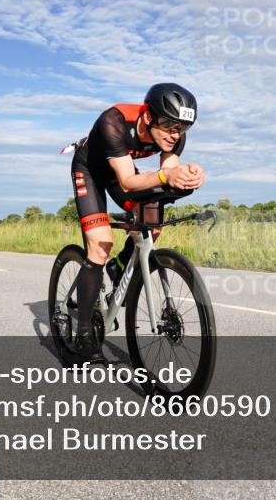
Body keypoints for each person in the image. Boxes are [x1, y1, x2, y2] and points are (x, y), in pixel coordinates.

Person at [67, 83, 205, 363]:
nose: (175, 134)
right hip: (90, 171)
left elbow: (167, 170)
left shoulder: (174, 136)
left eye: (183, 128)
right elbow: (128, 182)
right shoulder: (113, 122)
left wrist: (186, 176)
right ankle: (82, 336)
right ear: (148, 115)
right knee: (100, 245)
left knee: (152, 225)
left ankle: (120, 268)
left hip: (123, 170)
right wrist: (167, 178)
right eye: (169, 125)